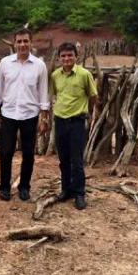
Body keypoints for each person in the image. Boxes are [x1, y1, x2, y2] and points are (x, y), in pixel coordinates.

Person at [0, 28, 49, 201]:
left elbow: (43, 93)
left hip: (30, 115)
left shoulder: (39, 65)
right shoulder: (5, 63)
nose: (22, 44)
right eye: (19, 41)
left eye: (26, 41)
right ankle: (4, 187)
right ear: (14, 43)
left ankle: (24, 186)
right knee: (6, 151)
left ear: (31, 43)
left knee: (29, 153)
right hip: (8, 113)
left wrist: (43, 117)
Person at [50, 42, 98, 210]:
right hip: (60, 122)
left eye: (70, 55)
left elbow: (93, 96)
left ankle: (79, 193)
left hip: (77, 122)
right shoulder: (55, 75)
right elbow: (56, 95)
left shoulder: (84, 75)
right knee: (63, 159)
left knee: (76, 160)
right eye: (63, 56)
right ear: (59, 58)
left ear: (76, 57)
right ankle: (66, 190)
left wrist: (87, 111)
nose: (67, 58)